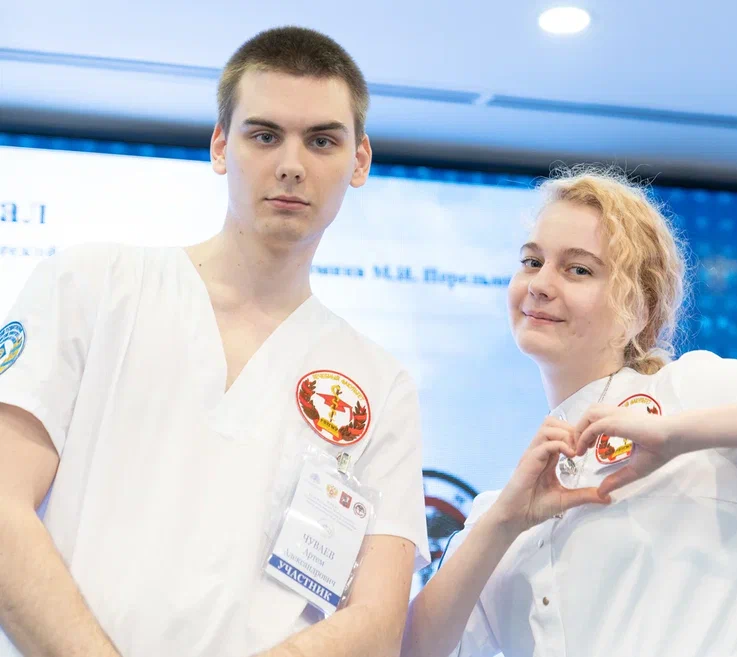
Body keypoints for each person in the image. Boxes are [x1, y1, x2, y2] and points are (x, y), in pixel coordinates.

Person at [0, 26, 428, 657]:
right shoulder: (91, 288)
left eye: (321, 140)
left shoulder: (379, 384)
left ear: (359, 160)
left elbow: (378, 619)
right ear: (221, 146)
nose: (291, 164)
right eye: (265, 135)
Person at [401, 168, 737, 657]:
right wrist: (503, 522)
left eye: (578, 269)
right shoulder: (499, 512)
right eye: (532, 261)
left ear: (639, 309)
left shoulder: (685, 392)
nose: (539, 283)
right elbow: (414, 650)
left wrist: (678, 434)